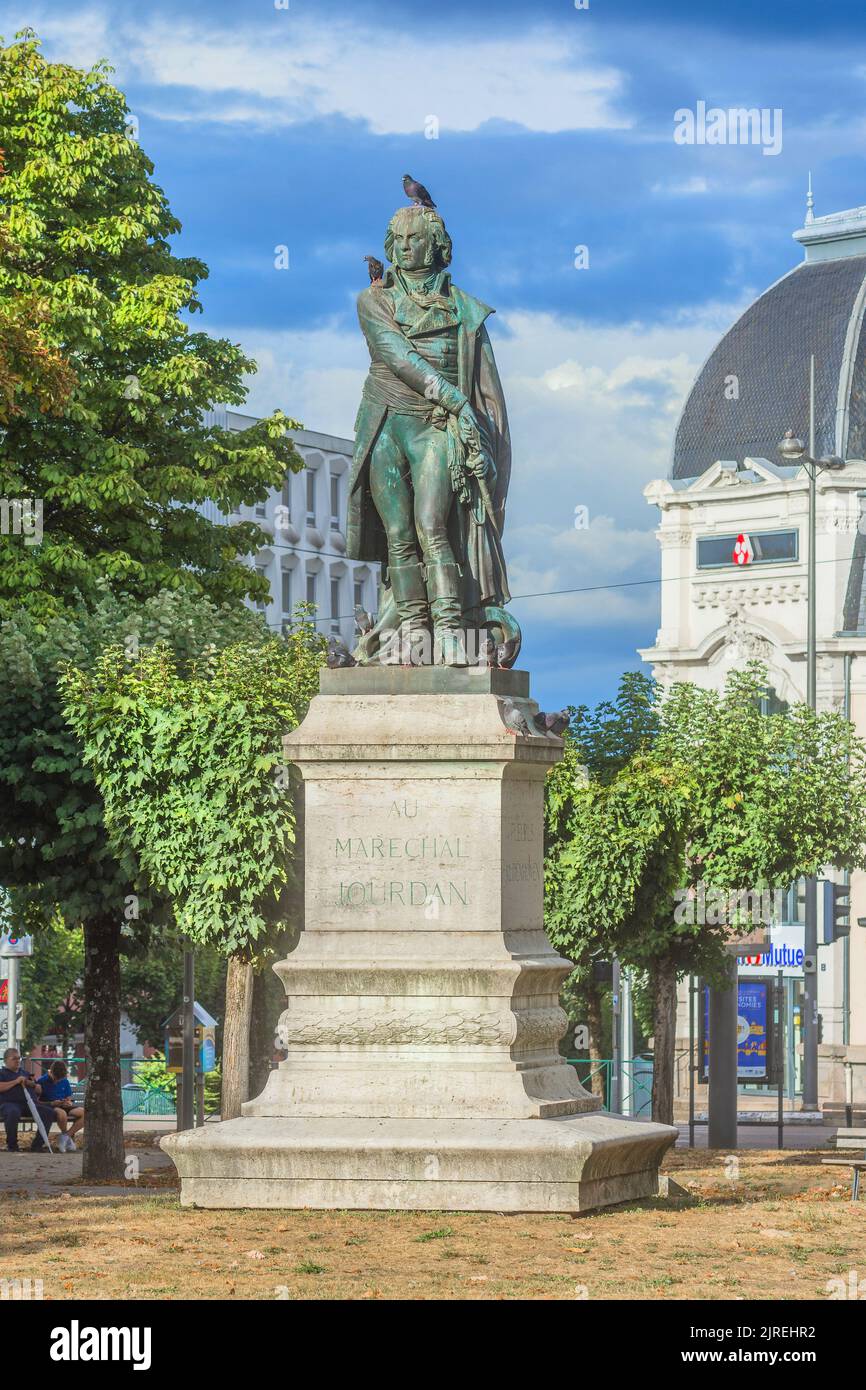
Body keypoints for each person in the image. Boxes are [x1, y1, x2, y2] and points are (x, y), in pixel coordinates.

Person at [0, 1047, 57, 1152]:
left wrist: (33, 1084)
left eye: (19, 1058)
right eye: (14, 1058)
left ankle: (37, 1145)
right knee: (12, 1112)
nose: (18, 1061)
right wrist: (16, 1081)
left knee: (48, 1112)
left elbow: (39, 1091)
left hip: (29, 1104)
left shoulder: (25, 1073)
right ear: (6, 1060)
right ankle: (12, 1146)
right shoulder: (2, 1073)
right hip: (9, 1103)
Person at [37, 1060, 83, 1152]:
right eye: (55, 1078)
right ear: (51, 1072)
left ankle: (66, 1137)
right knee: (62, 1114)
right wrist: (52, 1103)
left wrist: (68, 1102)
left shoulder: (64, 1081)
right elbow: (37, 1101)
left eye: (59, 1079)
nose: (57, 1081)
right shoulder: (42, 1081)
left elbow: (68, 1097)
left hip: (64, 1105)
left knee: (84, 1112)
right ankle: (65, 1137)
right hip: (50, 1106)